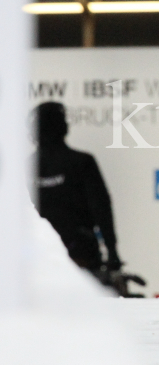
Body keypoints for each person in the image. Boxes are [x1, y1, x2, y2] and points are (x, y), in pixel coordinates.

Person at [30, 102, 124, 280]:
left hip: (36, 258)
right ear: (63, 127)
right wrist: (112, 251)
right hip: (80, 255)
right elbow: (102, 209)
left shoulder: (23, 167)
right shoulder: (82, 162)